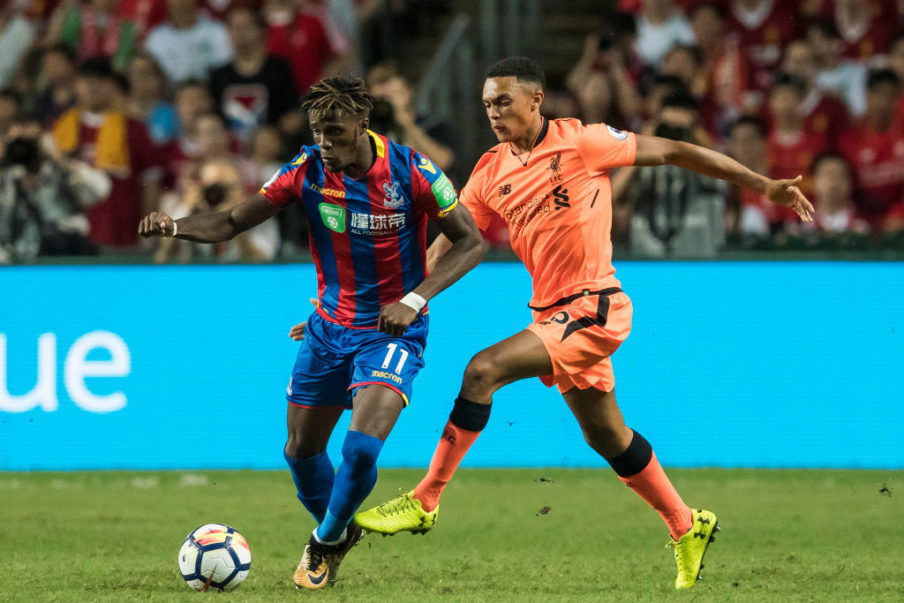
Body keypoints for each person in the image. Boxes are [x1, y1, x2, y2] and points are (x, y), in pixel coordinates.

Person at [355, 56, 813, 590]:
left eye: (504, 101)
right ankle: (687, 525)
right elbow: (449, 248)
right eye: (486, 104)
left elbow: (675, 151)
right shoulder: (488, 171)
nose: (494, 113)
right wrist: (396, 301)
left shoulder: (583, 141)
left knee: (483, 370)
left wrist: (762, 184)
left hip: (596, 305)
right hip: (551, 313)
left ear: (536, 98)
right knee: (607, 436)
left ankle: (425, 499)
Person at [138, 76, 485, 590]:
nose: (325, 143)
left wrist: (414, 300)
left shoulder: (414, 171)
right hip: (327, 330)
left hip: (391, 333)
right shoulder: (305, 170)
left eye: (335, 132)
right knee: (300, 452)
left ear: (363, 125)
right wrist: (175, 226)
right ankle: (338, 529)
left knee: (362, 448)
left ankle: (322, 543)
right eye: (319, 132)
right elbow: (234, 220)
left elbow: (471, 243)